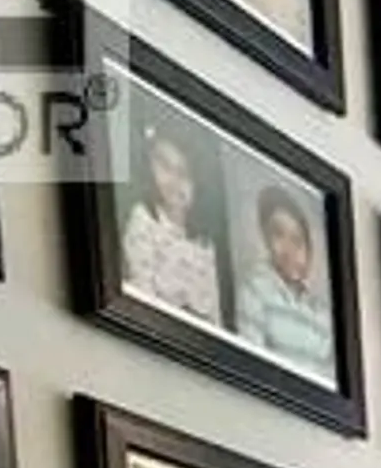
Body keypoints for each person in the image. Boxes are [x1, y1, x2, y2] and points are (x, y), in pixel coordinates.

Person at [119, 126, 222, 325]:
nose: (174, 181)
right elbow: (142, 290)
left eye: (183, 173)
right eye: (165, 166)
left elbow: (214, 318)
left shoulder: (205, 244)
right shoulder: (143, 220)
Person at [234, 186, 332, 375]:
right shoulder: (254, 290)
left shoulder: (322, 313)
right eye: (278, 234)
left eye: (297, 240)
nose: (289, 250)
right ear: (265, 238)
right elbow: (252, 365)